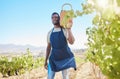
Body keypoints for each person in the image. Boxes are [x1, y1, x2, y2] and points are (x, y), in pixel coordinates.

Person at [44, 12, 76, 79]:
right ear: (51, 20)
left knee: (65, 77)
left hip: (65, 58)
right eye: (52, 17)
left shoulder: (65, 30)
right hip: (54, 58)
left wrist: (69, 29)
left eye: (56, 17)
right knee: (49, 77)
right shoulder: (49, 33)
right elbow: (48, 47)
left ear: (59, 19)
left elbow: (72, 42)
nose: (54, 18)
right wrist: (45, 60)